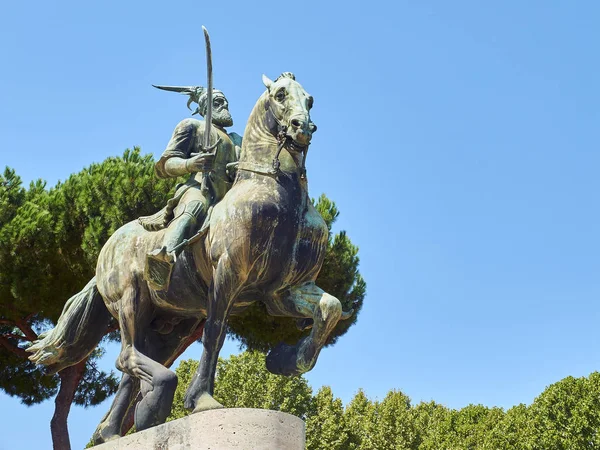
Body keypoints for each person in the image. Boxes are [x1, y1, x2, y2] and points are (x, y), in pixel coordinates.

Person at [140, 87, 242, 290]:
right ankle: (162, 259)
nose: (225, 105)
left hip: (230, 195)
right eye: (218, 102)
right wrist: (191, 163)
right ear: (205, 107)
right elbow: (165, 166)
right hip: (200, 188)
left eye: (225, 101)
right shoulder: (192, 126)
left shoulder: (238, 139)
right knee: (195, 207)